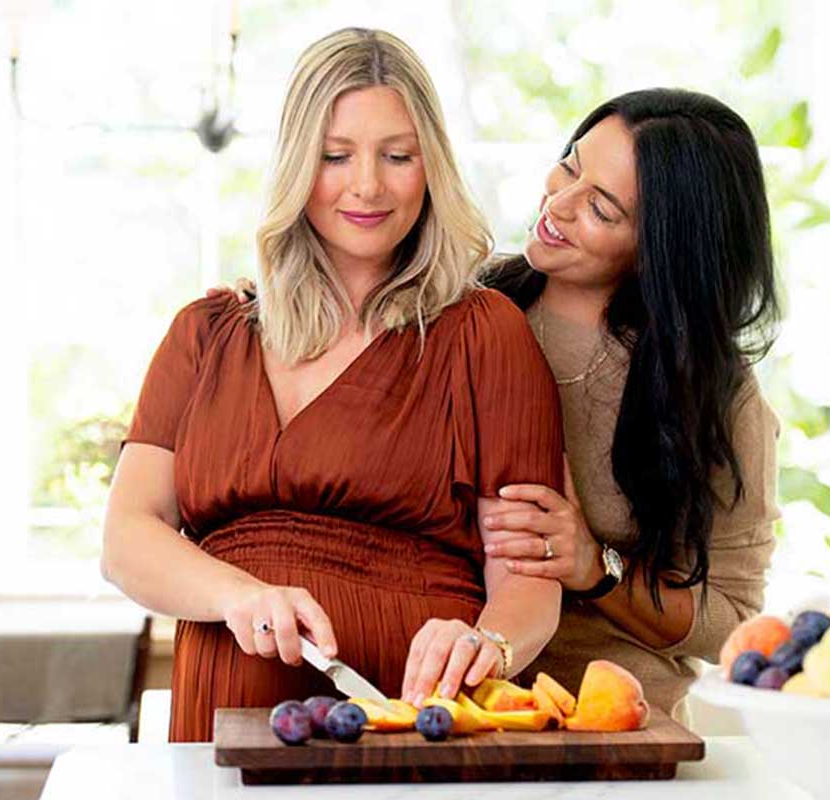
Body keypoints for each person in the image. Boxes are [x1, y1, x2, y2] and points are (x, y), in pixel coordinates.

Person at [100, 28, 564, 742]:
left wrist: (491, 645)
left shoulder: (484, 334)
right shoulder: (205, 334)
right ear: (295, 166)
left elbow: (530, 577)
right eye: (335, 155)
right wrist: (238, 594)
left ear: (431, 166)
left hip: (416, 727)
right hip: (225, 724)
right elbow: (128, 538)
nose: (368, 185)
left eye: (398, 156)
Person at [480, 88, 782, 717]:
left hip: (615, 729)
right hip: (454, 709)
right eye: (570, 165)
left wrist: (596, 567)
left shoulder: (717, 396)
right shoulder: (468, 304)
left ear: (662, 250)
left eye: (601, 207)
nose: (557, 205)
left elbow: (733, 625)